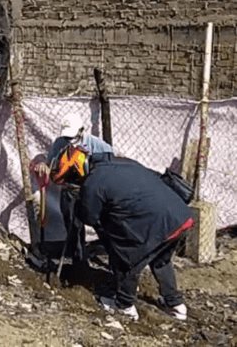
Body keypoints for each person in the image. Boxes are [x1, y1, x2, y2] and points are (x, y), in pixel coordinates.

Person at [51, 144, 194, 322]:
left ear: (77, 171)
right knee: (161, 260)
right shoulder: (121, 162)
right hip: (180, 217)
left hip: (156, 223)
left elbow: (89, 216)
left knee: (126, 260)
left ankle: (124, 306)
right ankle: (176, 305)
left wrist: (80, 203)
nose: (71, 184)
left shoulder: (93, 183)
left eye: (70, 179)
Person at [34, 113, 113, 265]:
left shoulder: (98, 147)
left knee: (101, 224)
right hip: (69, 191)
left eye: (73, 137)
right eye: (67, 138)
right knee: (72, 226)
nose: (70, 141)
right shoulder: (60, 143)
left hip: (92, 192)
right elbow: (51, 163)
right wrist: (44, 164)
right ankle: (79, 260)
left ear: (81, 131)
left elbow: (108, 171)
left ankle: (114, 259)